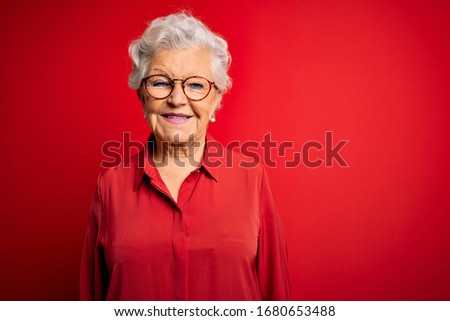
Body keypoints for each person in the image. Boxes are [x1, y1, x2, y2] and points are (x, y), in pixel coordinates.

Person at [80, 12, 290, 300]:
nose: (177, 99)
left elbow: (276, 296)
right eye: (160, 82)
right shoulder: (110, 186)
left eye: (195, 85)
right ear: (142, 95)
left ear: (216, 98)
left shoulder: (251, 178)